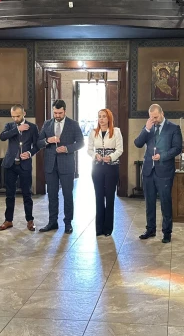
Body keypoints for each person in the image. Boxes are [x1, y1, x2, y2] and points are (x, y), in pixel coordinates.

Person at [134, 104, 183, 243]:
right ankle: (150, 229)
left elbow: (177, 148)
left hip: (164, 171)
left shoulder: (173, 128)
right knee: (149, 202)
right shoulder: (148, 127)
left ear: (162, 113)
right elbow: (138, 143)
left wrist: (162, 156)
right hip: (148, 171)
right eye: (151, 117)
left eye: (156, 117)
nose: (154, 120)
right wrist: (146, 129)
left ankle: (167, 232)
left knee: (165, 202)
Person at [37, 100, 84, 234]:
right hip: (50, 165)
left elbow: (81, 143)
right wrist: (48, 140)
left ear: (65, 111)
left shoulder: (73, 124)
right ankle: (52, 222)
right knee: (52, 195)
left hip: (67, 165)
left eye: (60, 113)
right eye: (55, 113)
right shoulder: (47, 124)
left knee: (67, 195)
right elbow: (39, 143)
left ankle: (68, 223)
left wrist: (67, 148)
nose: (57, 115)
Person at [0, 104, 39, 231]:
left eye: (18, 116)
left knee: (27, 194)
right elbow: (2, 137)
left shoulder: (32, 127)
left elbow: (37, 145)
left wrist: (30, 153)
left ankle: (30, 220)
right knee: (10, 194)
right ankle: (8, 220)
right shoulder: (10, 126)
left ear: (24, 114)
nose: (15, 118)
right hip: (10, 165)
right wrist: (17, 129)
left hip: (25, 165)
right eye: (13, 116)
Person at [88, 108, 123, 237]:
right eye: (99, 116)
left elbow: (120, 149)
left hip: (111, 168)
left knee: (109, 197)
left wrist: (111, 157)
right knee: (98, 197)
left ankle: (108, 228)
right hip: (97, 167)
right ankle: (99, 228)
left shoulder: (116, 131)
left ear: (109, 118)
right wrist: (95, 155)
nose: (101, 119)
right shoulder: (93, 132)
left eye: (104, 116)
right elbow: (89, 149)